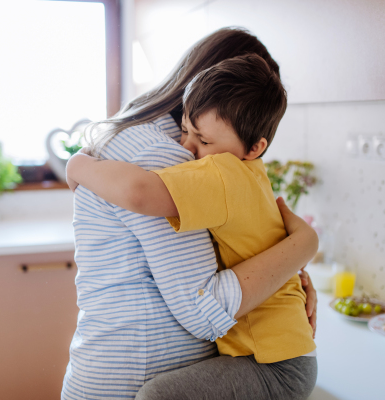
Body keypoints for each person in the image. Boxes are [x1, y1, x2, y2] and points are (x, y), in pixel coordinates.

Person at [61, 28, 319, 400]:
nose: (190, 145)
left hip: (120, 368)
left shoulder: (166, 143)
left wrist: (290, 279)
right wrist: (302, 245)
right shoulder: (168, 153)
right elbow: (204, 307)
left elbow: (240, 235)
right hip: (130, 379)